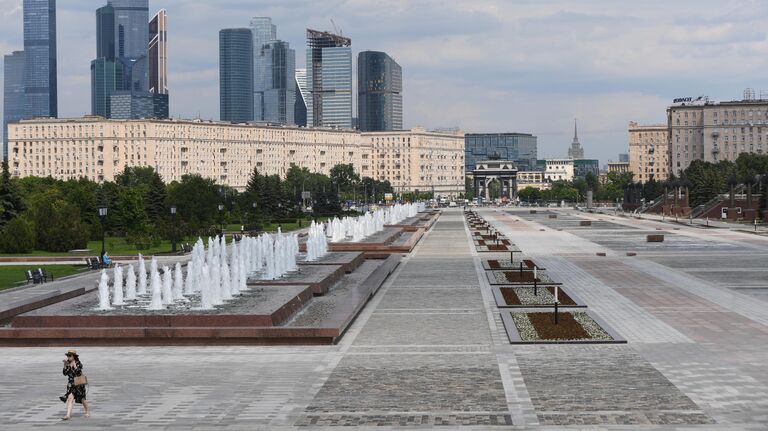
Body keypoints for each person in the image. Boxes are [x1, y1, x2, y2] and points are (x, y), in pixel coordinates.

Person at [60, 349, 90, 420]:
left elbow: (78, 373)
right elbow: (65, 373)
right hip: (71, 384)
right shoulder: (67, 363)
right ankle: (68, 415)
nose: (68, 357)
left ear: (74, 356)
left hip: (79, 384)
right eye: (68, 355)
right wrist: (65, 365)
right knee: (70, 398)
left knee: (82, 399)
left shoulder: (78, 363)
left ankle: (87, 411)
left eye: (70, 356)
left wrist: (75, 366)